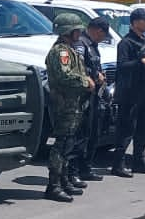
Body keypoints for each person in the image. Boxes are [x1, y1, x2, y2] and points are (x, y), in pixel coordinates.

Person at [44, 11, 95, 201]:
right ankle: (54, 185)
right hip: (64, 104)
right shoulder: (61, 51)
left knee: (69, 143)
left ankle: (64, 180)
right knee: (62, 143)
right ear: (68, 31)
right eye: (76, 31)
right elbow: (65, 76)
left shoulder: (69, 48)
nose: (79, 34)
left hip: (73, 104)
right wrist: (85, 82)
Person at [112, 7, 145, 176]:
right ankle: (118, 164)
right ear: (135, 22)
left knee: (143, 128)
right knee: (126, 129)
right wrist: (140, 62)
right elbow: (122, 66)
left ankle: (139, 161)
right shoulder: (126, 43)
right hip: (130, 93)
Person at [69, 15, 111, 185]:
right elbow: (78, 66)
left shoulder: (93, 46)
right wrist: (94, 75)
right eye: (102, 34)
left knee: (92, 134)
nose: (102, 38)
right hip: (83, 97)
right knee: (79, 137)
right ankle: (73, 172)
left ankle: (86, 168)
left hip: (94, 96)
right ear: (97, 31)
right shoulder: (81, 44)